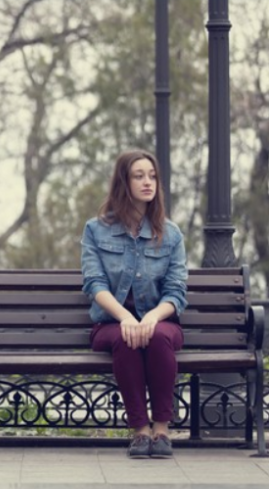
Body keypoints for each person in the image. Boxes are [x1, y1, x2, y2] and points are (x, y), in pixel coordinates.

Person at [80, 149, 188, 459]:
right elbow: (94, 284)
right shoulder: (96, 230)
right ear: (123, 182)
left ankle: (162, 428)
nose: (147, 182)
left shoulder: (171, 234)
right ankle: (140, 430)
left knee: (155, 335)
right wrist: (126, 317)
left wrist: (153, 316)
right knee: (126, 338)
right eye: (139, 176)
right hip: (110, 323)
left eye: (152, 176)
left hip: (162, 322)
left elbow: (176, 290)